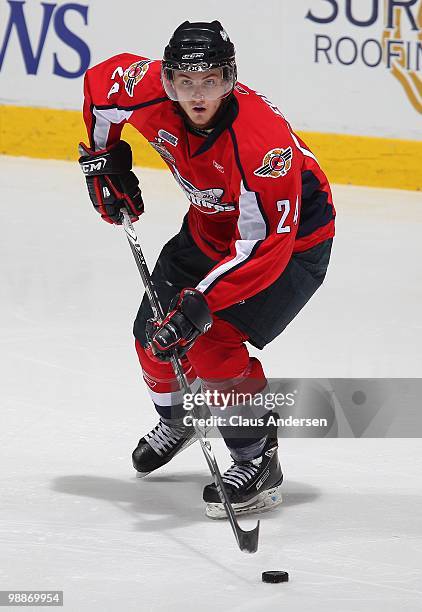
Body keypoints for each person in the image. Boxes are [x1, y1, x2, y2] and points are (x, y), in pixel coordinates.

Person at [78, 20, 335, 519]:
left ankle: (257, 458)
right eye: (185, 82)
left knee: (212, 340)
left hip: (292, 244)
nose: (198, 95)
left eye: (211, 81)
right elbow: (100, 90)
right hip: (210, 229)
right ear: (168, 81)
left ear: (230, 79)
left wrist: (200, 305)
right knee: (151, 336)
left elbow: (266, 248)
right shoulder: (147, 91)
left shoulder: (263, 146)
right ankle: (182, 418)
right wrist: (104, 157)